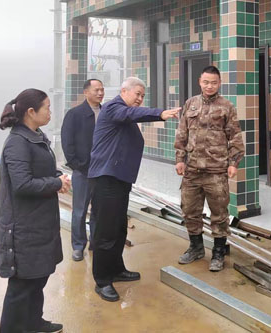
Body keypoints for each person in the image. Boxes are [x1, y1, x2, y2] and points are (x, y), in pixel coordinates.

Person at [88, 77, 180, 302]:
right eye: (137, 94)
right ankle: (102, 281)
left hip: (119, 180)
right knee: (105, 232)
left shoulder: (124, 115)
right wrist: (160, 113)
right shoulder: (113, 108)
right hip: (106, 179)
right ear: (123, 91)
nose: (140, 99)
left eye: (142, 96)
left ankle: (116, 269)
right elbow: (130, 114)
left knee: (119, 228)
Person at [0, 89, 71, 333]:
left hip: (40, 221)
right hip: (23, 226)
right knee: (22, 286)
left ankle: (33, 322)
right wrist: (55, 183)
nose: (50, 112)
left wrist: (58, 177)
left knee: (38, 278)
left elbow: (40, 170)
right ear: (31, 112)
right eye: (47, 107)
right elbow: (22, 184)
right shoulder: (18, 142)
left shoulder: (36, 136)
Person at [174, 66, 244, 272]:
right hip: (192, 170)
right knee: (189, 210)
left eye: (213, 82)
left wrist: (233, 163)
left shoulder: (227, 106)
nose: (209, 86)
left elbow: (235, 137)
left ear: (219, 83)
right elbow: (182, 133)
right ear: (200, 81)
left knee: (219, 214)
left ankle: (218, 252)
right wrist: (180, 159)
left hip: (216, 170)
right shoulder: (190, 104)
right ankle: (196, 247)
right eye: (206, 82)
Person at [61, 78, 104, 261]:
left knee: (99, 210)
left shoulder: (106, 112)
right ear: (86, 92)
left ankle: (96, 242)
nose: (100, 93)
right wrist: (77, 165)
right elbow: (67, 142)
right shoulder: (75, 114)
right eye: (96, 90)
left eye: (102, 90)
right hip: (83, 171)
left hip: (103, 171)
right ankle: (78, 246)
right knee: (79, 210)